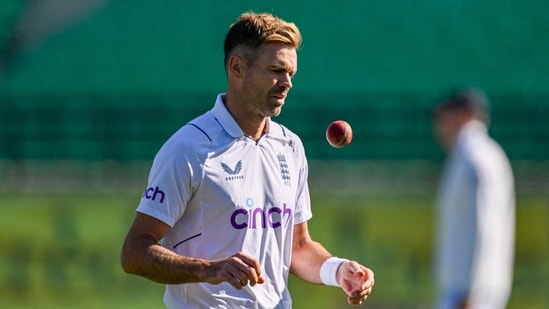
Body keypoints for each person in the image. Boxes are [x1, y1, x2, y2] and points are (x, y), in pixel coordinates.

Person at [120, 11, 374, 308]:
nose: (287, 82)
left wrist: (338, 270)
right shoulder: (188, 148)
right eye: (276, 70)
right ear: (237, 67)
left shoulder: (290, 146)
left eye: (291, 73)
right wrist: (209, 269)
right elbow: (135, 251)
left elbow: (298, 247)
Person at [432, 87, 515, 309]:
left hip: (470, 292)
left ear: (465, 114)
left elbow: (483, 225)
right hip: (464, 289)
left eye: (446, 115)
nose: (440, 124)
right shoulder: (469, 155)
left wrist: (471, 290)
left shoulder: (476, 158)